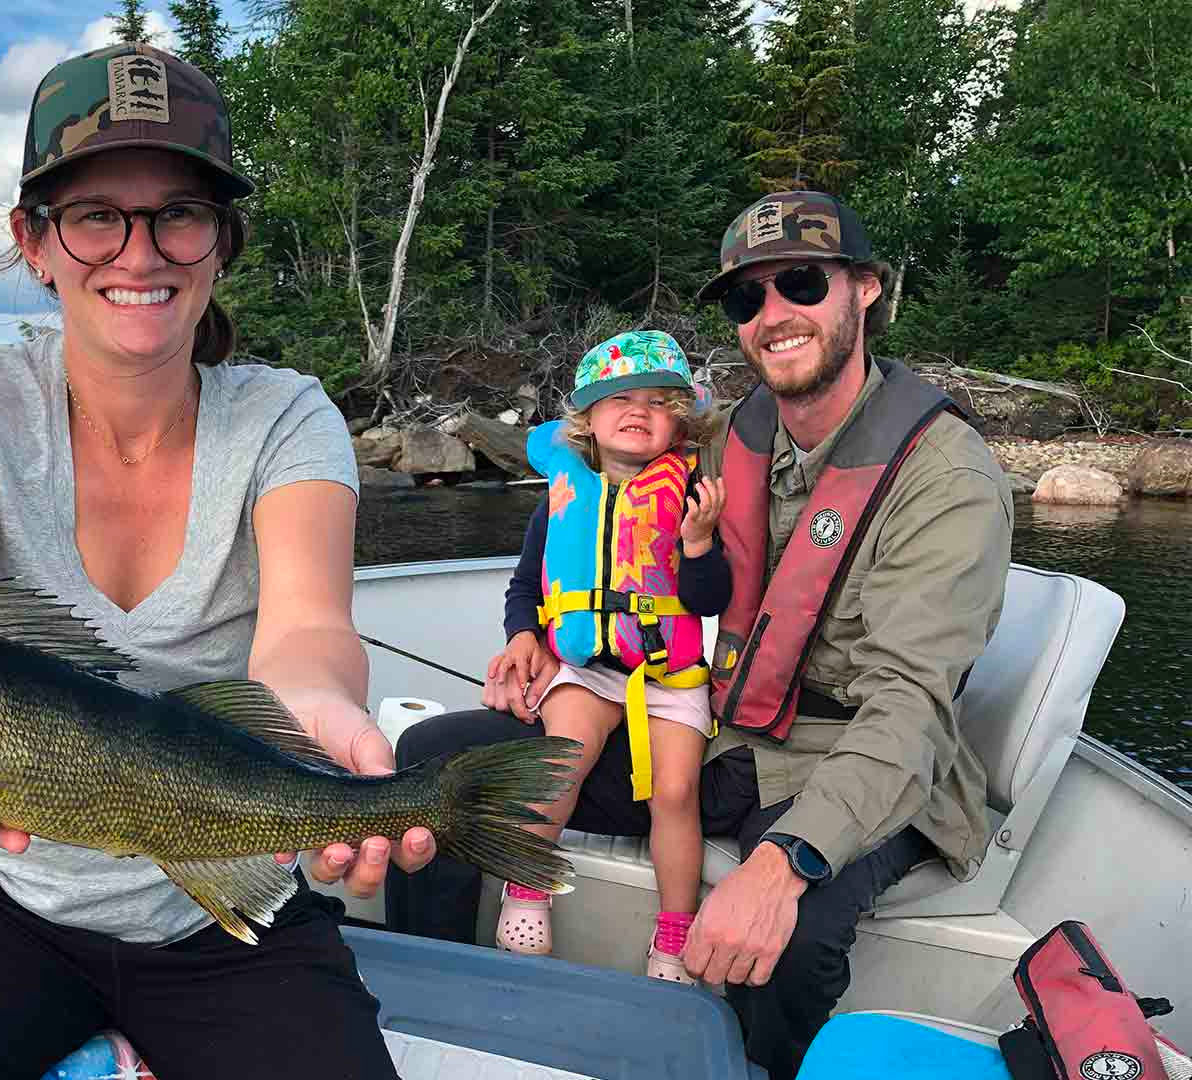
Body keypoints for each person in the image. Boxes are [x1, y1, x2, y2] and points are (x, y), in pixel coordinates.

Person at [0, 43, 434, 1080]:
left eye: (178, 212)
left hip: (229, 901)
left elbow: (306, 633)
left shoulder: (287, 416)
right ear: (34, 241)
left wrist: (323, 722)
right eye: (95, 215)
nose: (140, 252)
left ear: (220, 243)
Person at [386, 191, 1013, 1080]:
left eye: (800, 282)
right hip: (719, 730)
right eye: (746, 298)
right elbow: (598, 490)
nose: (773, 314)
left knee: (789, 939)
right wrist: (531, 628)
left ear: (867, 290)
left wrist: (786, 860)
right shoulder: (732, 438)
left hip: (854, 758)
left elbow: (909, 706)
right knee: (439, 767)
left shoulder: (947, 477)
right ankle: (446, 1022)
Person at [478, 330, 730, 988]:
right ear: (587, 418)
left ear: (684, 420)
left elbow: (709, 600)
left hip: (670, 672)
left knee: (676, 794)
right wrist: (521, 634)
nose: (637, 409)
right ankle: (527, 888)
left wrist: (699, 545)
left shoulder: (692, 498)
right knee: (561, 761)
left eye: (657, 400)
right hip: (587, 667)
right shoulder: (562, 497)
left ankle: (675, 931)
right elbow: (527, 587)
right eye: (619, 397)